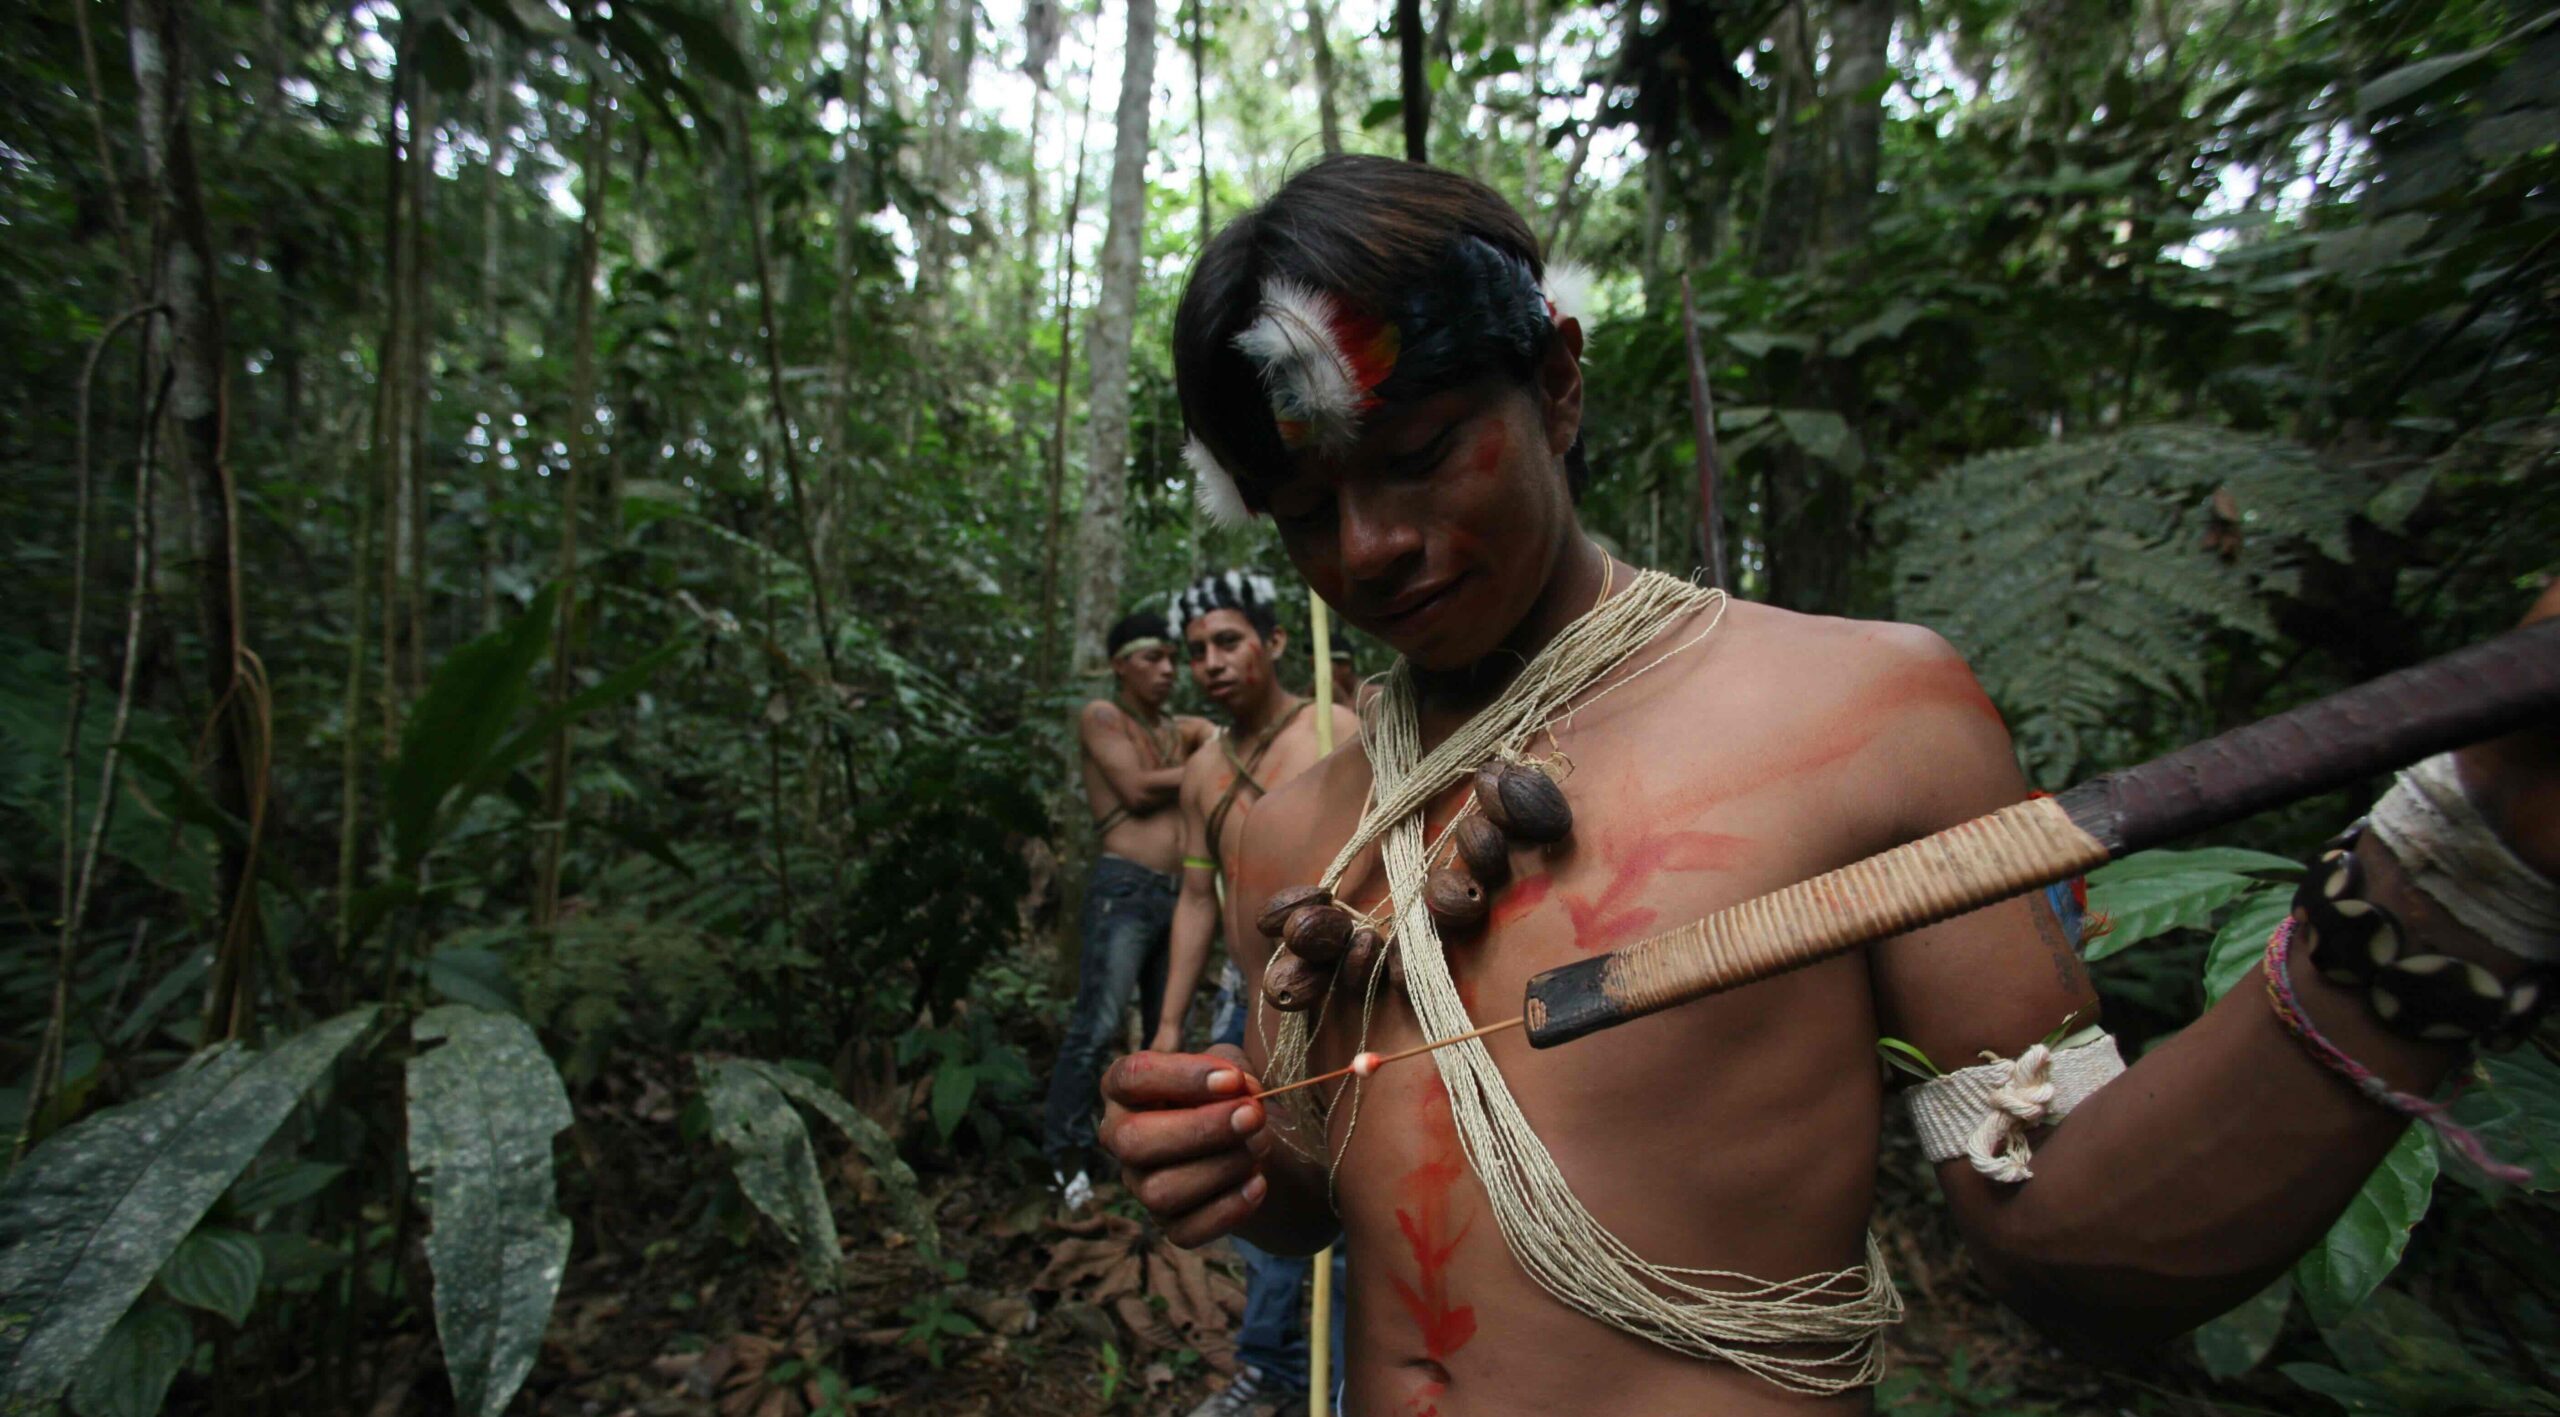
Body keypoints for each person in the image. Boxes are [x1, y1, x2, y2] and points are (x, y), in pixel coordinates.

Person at [1097, 155, 2559, 1416]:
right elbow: (1325, 1193)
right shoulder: (1299, 831)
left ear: (1556, 380)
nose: (1367, 551)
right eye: (1304, 516)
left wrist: (2471, 863)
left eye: (1416, 458)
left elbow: (2072, 1235)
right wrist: (1231, 1163)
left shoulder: (1866, 717)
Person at [1142, 571, 1359, 1416]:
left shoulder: (1338, 733)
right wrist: (1169, 1027)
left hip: (1341, 998)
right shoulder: (1203, 773)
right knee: (1258, 1183)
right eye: (1197, 650)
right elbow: (1199, 897)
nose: (1210, 663)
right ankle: (1270, 1368)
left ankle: (1351, 1378)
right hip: (1247, 1001)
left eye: (1228, 641)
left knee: (1349, 1191)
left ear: (1273, 641)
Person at [1041, 610, 1210, 1209]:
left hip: (1182, 896)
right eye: (1151, 659)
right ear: (1119, 665)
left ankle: (1151, 1156)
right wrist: (1205, 766)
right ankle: (1066, 1160)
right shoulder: (1102, 716)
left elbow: (1235, 739)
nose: (1167, 670)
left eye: (1171, 658)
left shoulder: (1180, 727)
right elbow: (1136, 789)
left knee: (1172, 1032)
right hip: (1126, 890)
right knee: (1097, 1027)